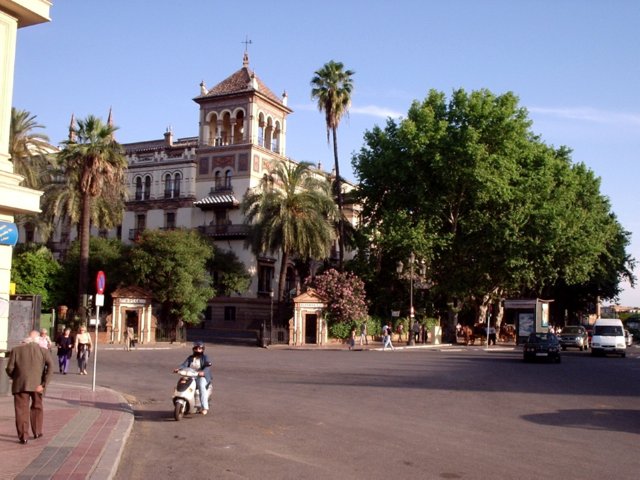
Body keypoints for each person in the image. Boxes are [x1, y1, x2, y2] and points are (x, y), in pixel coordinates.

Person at [5, 330, 54, 444]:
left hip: (20, 385)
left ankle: (23, 436)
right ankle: (37, 432)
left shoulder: (16, 350)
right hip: (38, 385)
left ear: (27, 339)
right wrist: (44, 384)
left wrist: (16, 377)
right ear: (38, 340)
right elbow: (51, 367)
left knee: (21, 410)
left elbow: (9, 368)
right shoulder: (44, 351)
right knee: (37, 407)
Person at [174, 341, 212, 415]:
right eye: (196, 348)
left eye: (200, 349)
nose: (198, 350)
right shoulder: (190, 358)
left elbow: (207, 366)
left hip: (201, 377)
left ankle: (205, 407)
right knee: (183, 382)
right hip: (191, 376)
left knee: (201, 386)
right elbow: (184, 365)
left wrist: (203, 372)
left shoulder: (205, 357)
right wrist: (178, 369)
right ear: (193, 349)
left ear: (202, 349)